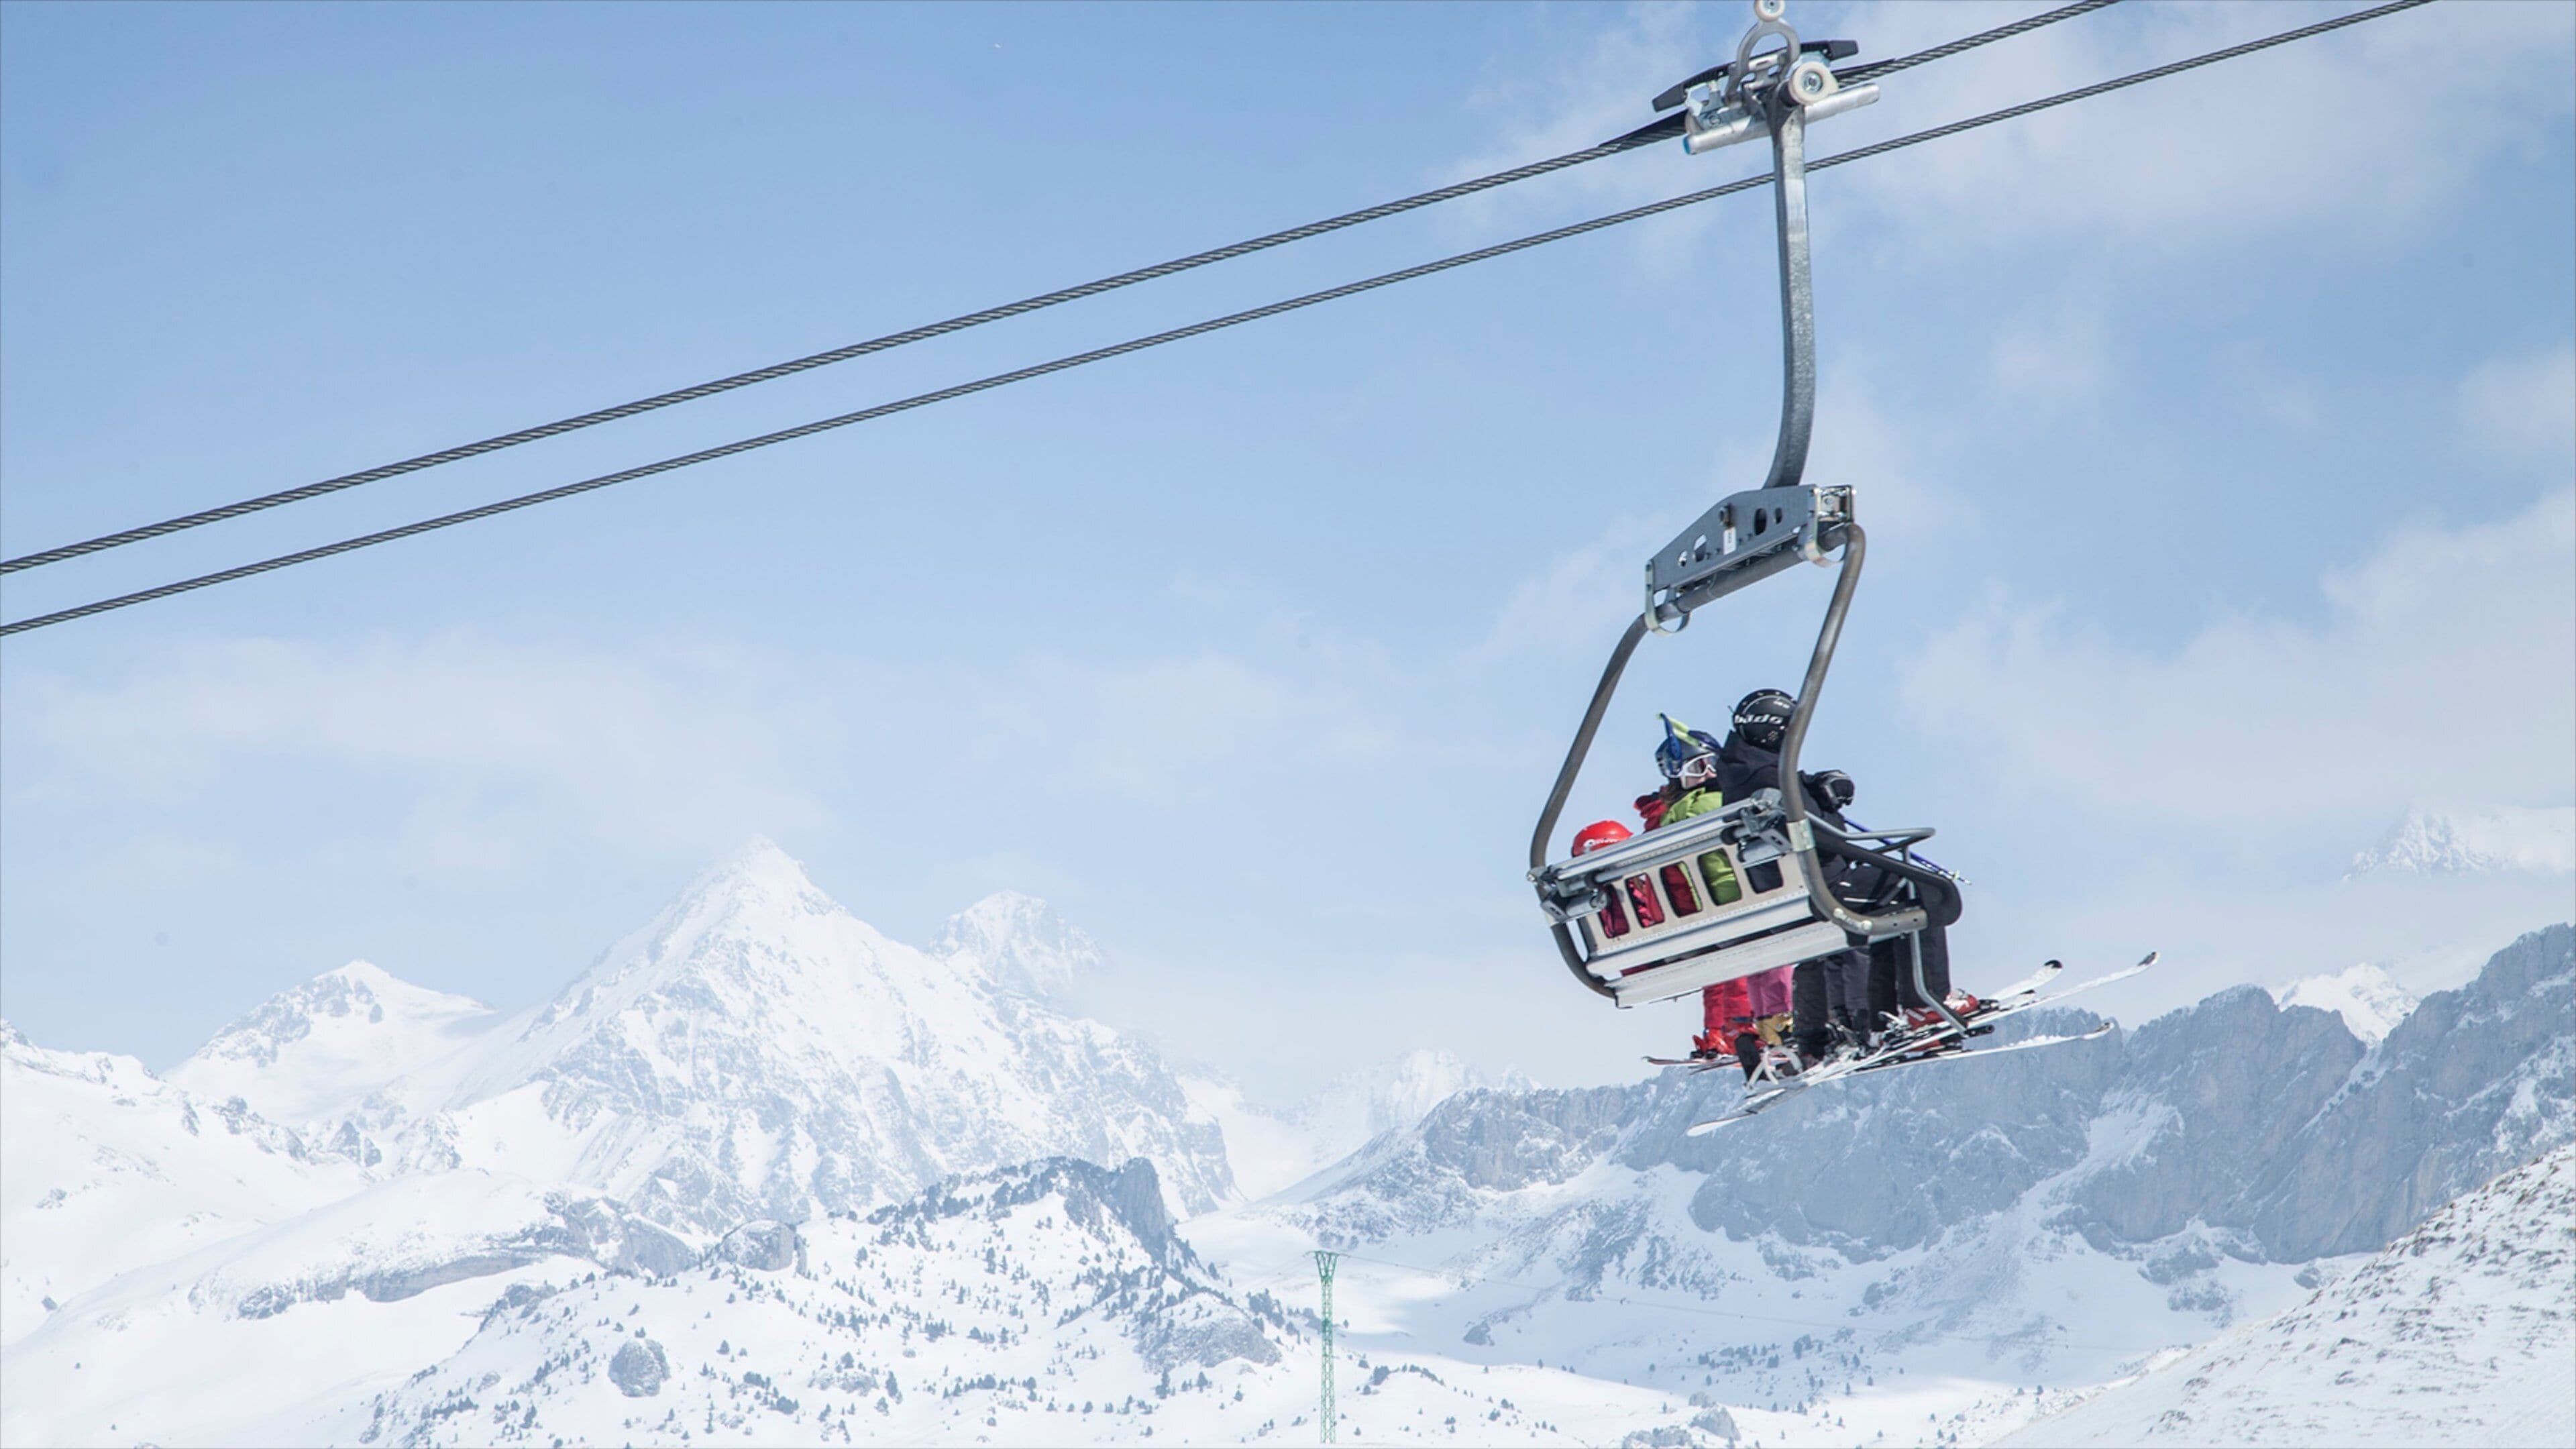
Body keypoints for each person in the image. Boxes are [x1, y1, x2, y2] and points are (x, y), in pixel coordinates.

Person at [1711, 688, 1974, 1059]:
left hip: (1786, 902)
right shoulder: (1770, 777)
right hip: (1821, 891)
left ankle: (1874, 1021)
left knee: (1886, 905)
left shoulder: (1742, 775)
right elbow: (1820, 835)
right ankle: (1926, 1002)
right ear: (1777, 733)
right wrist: (1827, 801)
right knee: (1921, 887)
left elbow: (1793, 809)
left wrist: (1816, 786)